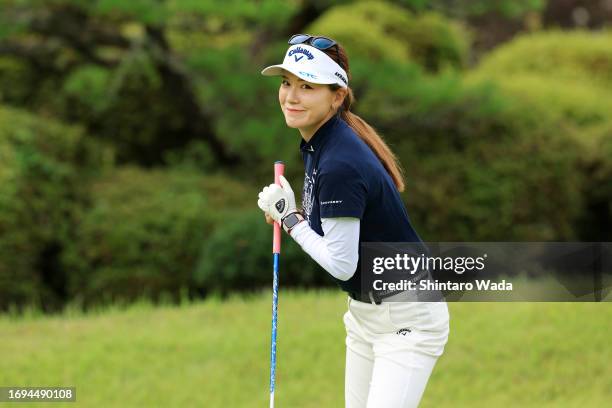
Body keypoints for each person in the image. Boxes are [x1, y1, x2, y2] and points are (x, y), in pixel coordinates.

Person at [256, 34, 449, 408]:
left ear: (337, 95)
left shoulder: (340, 159)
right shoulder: (321, 140)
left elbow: (343, 265)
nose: (291, 97)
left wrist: (292, 219)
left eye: (307, 86)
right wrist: (288, 210)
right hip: (365, 315)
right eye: (286, 83)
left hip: (406, 319)